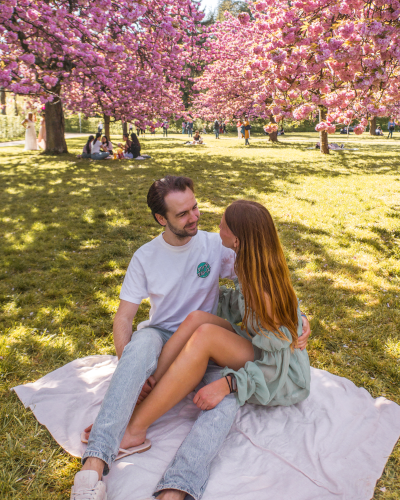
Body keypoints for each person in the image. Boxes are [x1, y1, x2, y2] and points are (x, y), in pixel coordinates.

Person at [70, 176, 311, 500]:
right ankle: (97, 459)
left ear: (236, 239)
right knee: (143, 353)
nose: (196, 217)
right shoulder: (146, 256)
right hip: (164, 334)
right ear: (161, 218)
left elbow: (270, 281)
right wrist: (134, 372)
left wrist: (299, 318)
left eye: (195, 207)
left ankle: (176, 488)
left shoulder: (219, 247)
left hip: (217, 346)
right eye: (183, 213)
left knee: (222, 397)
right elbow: (124, 317)